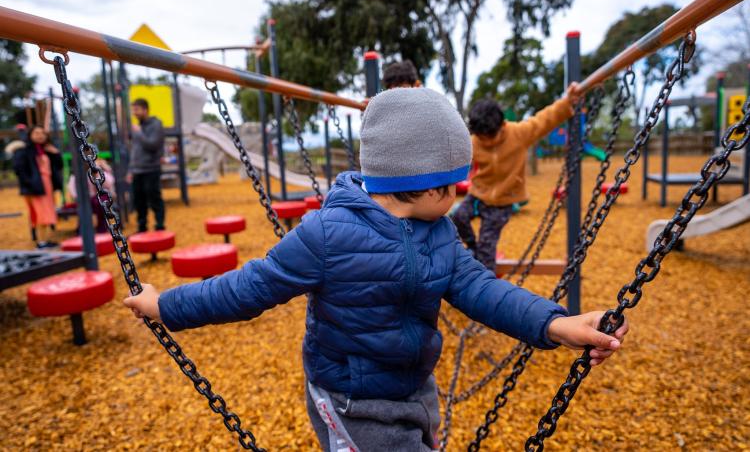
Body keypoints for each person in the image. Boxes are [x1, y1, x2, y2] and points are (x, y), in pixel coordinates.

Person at [123, 88, 627, 452]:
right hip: (350, 399)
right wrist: (163, 305)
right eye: (453, 185)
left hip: (414, 387)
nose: (459, 195)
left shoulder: (441, 232)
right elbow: (250, 287)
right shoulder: (326, 234)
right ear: (425, 184)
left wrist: (557, 323)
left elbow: (483, 290)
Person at [451, 88, 581, 270]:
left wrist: (567, 102)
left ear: (502, 125)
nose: (486, 142)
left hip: (504, 201)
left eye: (490, 137)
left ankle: (485, 285)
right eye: (482, 138)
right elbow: (453, 156)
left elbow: (543, 120)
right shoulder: (473, 142)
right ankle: (472, 248)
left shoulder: (518, 134)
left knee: (487, 247)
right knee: (458, 217)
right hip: (478, 195)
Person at [12, 125, 63, 248]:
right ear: (30, 135)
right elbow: (20, 170)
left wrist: (56, 153)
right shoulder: (25, 150)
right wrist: (30, 183)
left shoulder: (46, 150)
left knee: (47, 212)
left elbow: (58, 166)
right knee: (41, 213)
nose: (40, 135)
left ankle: (44, 239)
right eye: (36, 133)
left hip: (47, 185)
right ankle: (41, 241)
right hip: (36, 187)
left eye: (42, 133)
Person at [128, 98, 165, 233]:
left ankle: (160, 225)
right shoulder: (138, 127)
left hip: (151, 168)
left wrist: (138, 133)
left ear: (145, 110)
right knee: (139, 200)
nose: (134, 113)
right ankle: (142, 227)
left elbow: (153, 145)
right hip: (137, 170)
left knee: (154, 197)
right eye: (133, 110)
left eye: (137, 109)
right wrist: (130, 170)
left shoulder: (156, 124)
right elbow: (134, 151)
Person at [67, 158, 115, 233]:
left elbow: (109, 183)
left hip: (96, 199)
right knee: (87, 205)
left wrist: (98, 172)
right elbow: (72, 189)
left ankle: (101, 227)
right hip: (84, 200)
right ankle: (83, 229)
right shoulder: (76, 175)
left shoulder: (97, 172)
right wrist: (78, 197)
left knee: (99, 202)